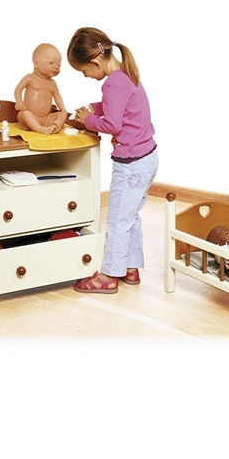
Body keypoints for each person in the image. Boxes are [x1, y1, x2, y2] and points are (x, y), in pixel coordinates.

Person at [67, 27, 158, 293]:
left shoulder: (112, 83)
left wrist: (88, 120)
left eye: (84, 71)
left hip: (131, 165)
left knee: (117, 220)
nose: (85, 76)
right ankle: (130, 267)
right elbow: (118, 106)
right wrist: (93, 109)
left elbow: (113, 124)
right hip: (147, 158)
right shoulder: (126, 74)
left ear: (95, 62)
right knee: (129, 216)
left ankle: (108, 275)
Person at [14, 43, 68, 134]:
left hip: (46, 119)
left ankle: (55, 126)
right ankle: (39, 129)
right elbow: (18, 89)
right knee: (24, 113)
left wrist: (63, 109)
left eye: (59, 65)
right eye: (51, 63)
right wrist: (19, 102)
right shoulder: (30, 78)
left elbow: (58, 98)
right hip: (29, 118)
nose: (56, 67)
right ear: (36, 63)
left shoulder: (52, 83)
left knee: (63, 114)